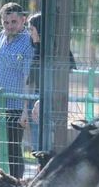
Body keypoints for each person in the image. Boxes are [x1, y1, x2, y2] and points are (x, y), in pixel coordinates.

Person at [0, 2, 32, 179]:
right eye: (6, 22)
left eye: (13, 22)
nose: (9, 26)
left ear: (23, 20)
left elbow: (28, 77)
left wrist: (25, 110)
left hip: (15, 106)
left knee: (13, 149)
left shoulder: (28, 43)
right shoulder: (0, 38)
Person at [23, 12, 77, 153]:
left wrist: (42, 100)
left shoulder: (55, 52)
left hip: (51, 102)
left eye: (32, 29)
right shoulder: (37, 50)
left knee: (49, 149)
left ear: (40, 29)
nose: (30, 33)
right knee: (38, 148)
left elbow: (58, 81)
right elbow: (33, 81)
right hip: (36, 100)